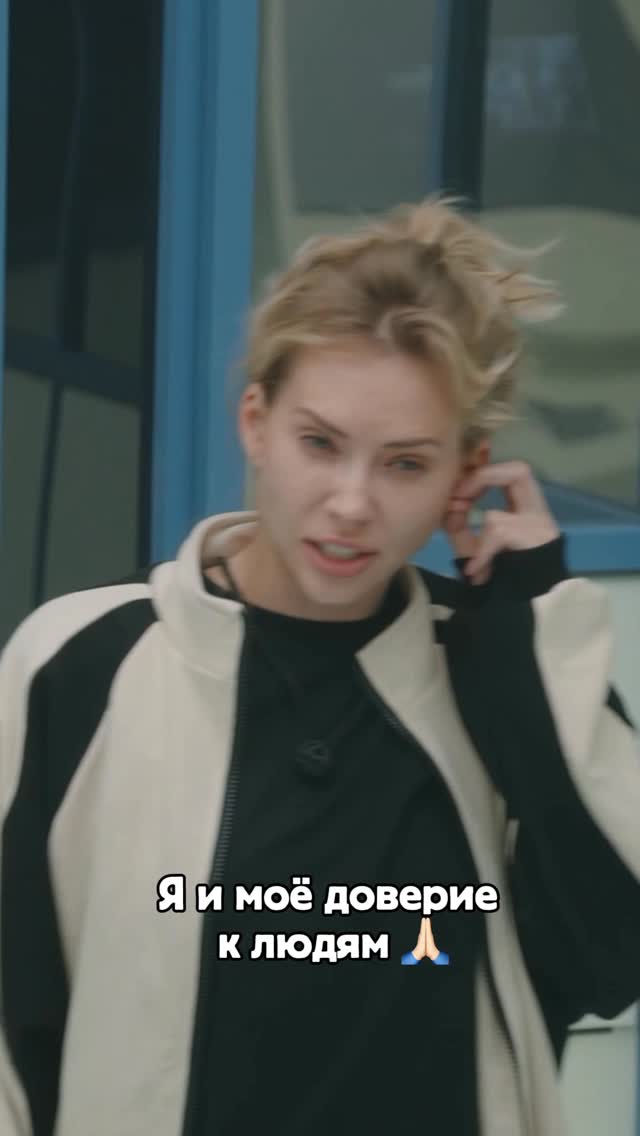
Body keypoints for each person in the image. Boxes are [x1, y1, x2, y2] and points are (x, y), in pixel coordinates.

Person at [1, 196, 639, 1136]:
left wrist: (533, 614)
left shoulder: (494, 672)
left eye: (405, 464)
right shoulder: (82, 664)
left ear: (465, 472)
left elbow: (614, 951)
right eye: (320, 443)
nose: (351, 503)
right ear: (255, 421)